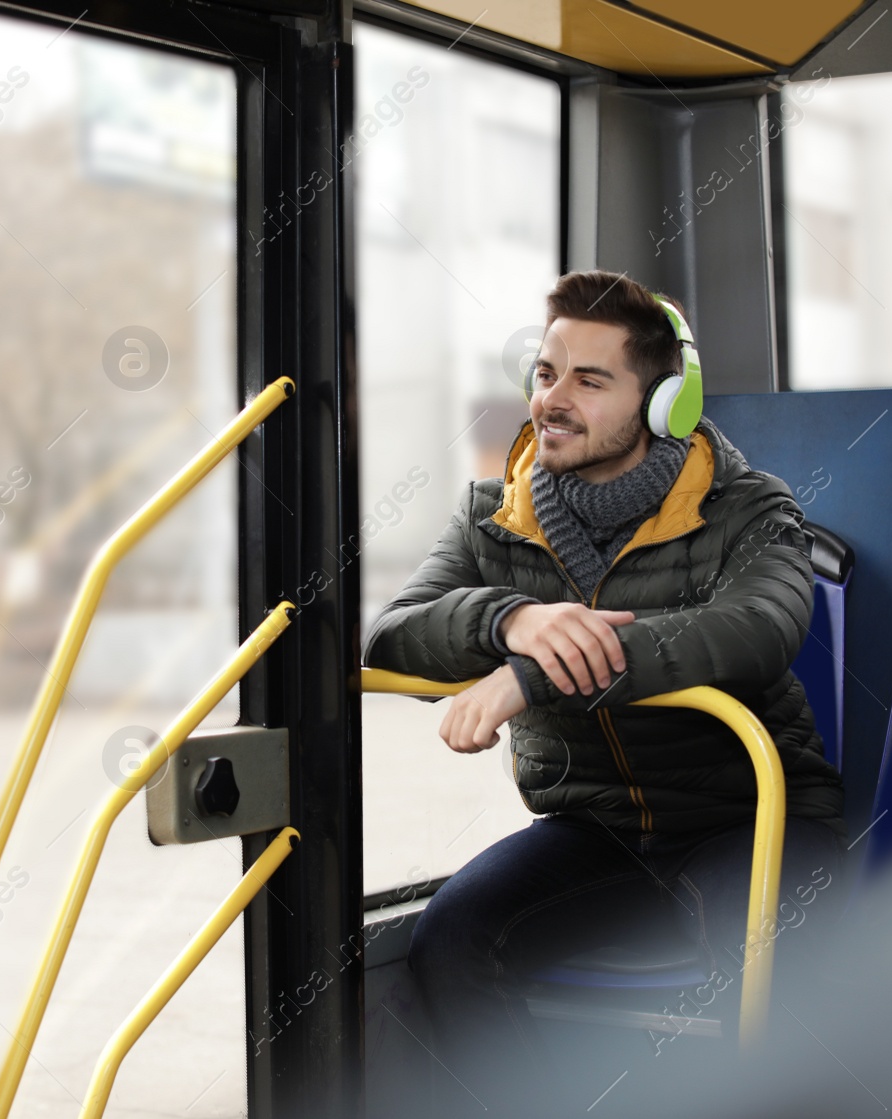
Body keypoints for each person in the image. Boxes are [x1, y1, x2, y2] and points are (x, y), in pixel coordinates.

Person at [362, 270, 846, 1117]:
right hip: (595, 828)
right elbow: (386, 635)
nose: (553, 399)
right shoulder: (493, 517)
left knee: (777, 966)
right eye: (546, 374)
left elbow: (758, 629)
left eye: (590, 380)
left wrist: (541, 670)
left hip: (751, 819)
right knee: (451, 941)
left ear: (665, 404)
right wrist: (509, 619)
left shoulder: (750, 509)